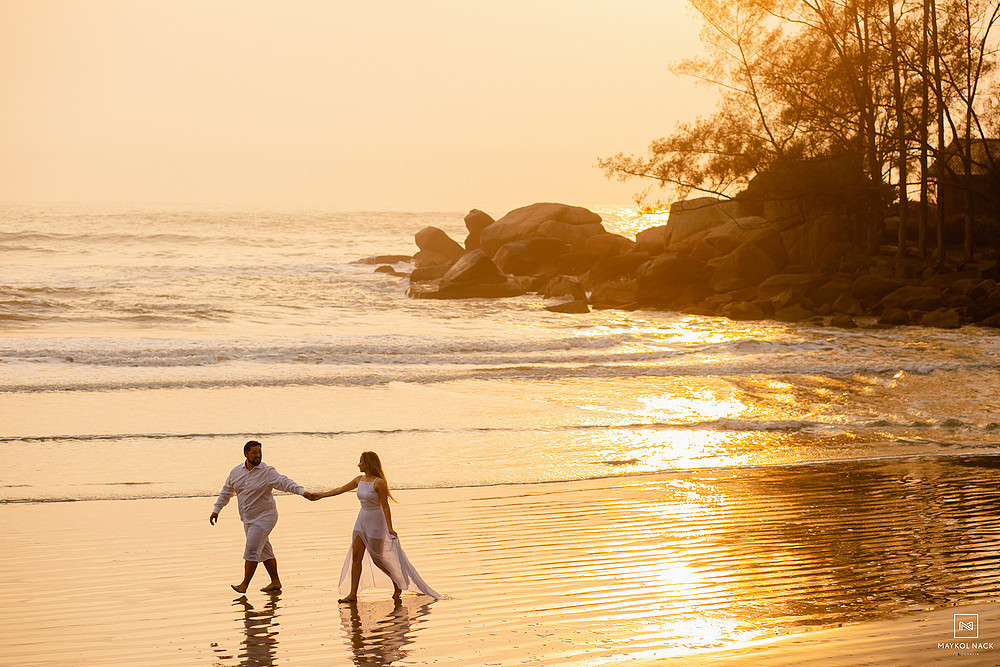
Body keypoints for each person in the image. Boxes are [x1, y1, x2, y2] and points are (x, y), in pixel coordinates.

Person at [310, 451, 443, 602]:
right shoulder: (359, 480)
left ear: (368, 464)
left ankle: (397, 582)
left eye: (361, 461)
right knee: (356, 556)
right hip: (361, 520)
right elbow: (340, 489)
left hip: (375, 523)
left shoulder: (379, 483)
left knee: (377, 559)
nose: (358, 464)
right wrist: (320, 496)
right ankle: (353, 594)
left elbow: (385, 506)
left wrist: (390, 528)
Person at [210, 440, 316, 593]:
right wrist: (216, 509)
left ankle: (244, 584)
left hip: (265, 517)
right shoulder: (236, 472)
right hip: (247, 518)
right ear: (245, 454)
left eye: (260, 452)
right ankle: (275, 581)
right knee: (265, 550)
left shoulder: (267, 472)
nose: (258, 455)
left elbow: (285, 482)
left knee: (251, 549)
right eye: (254, 453)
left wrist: (303, 492)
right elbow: (226, 492)